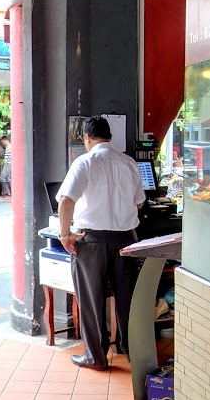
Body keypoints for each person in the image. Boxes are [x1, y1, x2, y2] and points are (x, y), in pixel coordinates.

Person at [56, 114, 145, 372]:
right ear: (110, 136)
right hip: (127, 240)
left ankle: (96, 356)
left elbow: (66, 201)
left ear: (86, 138)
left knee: (92, 299)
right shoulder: (129, 163)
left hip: (92, 240)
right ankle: (132, 351)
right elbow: (139, 203)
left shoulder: (84, 162)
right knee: (128, 299)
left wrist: (64, 235)